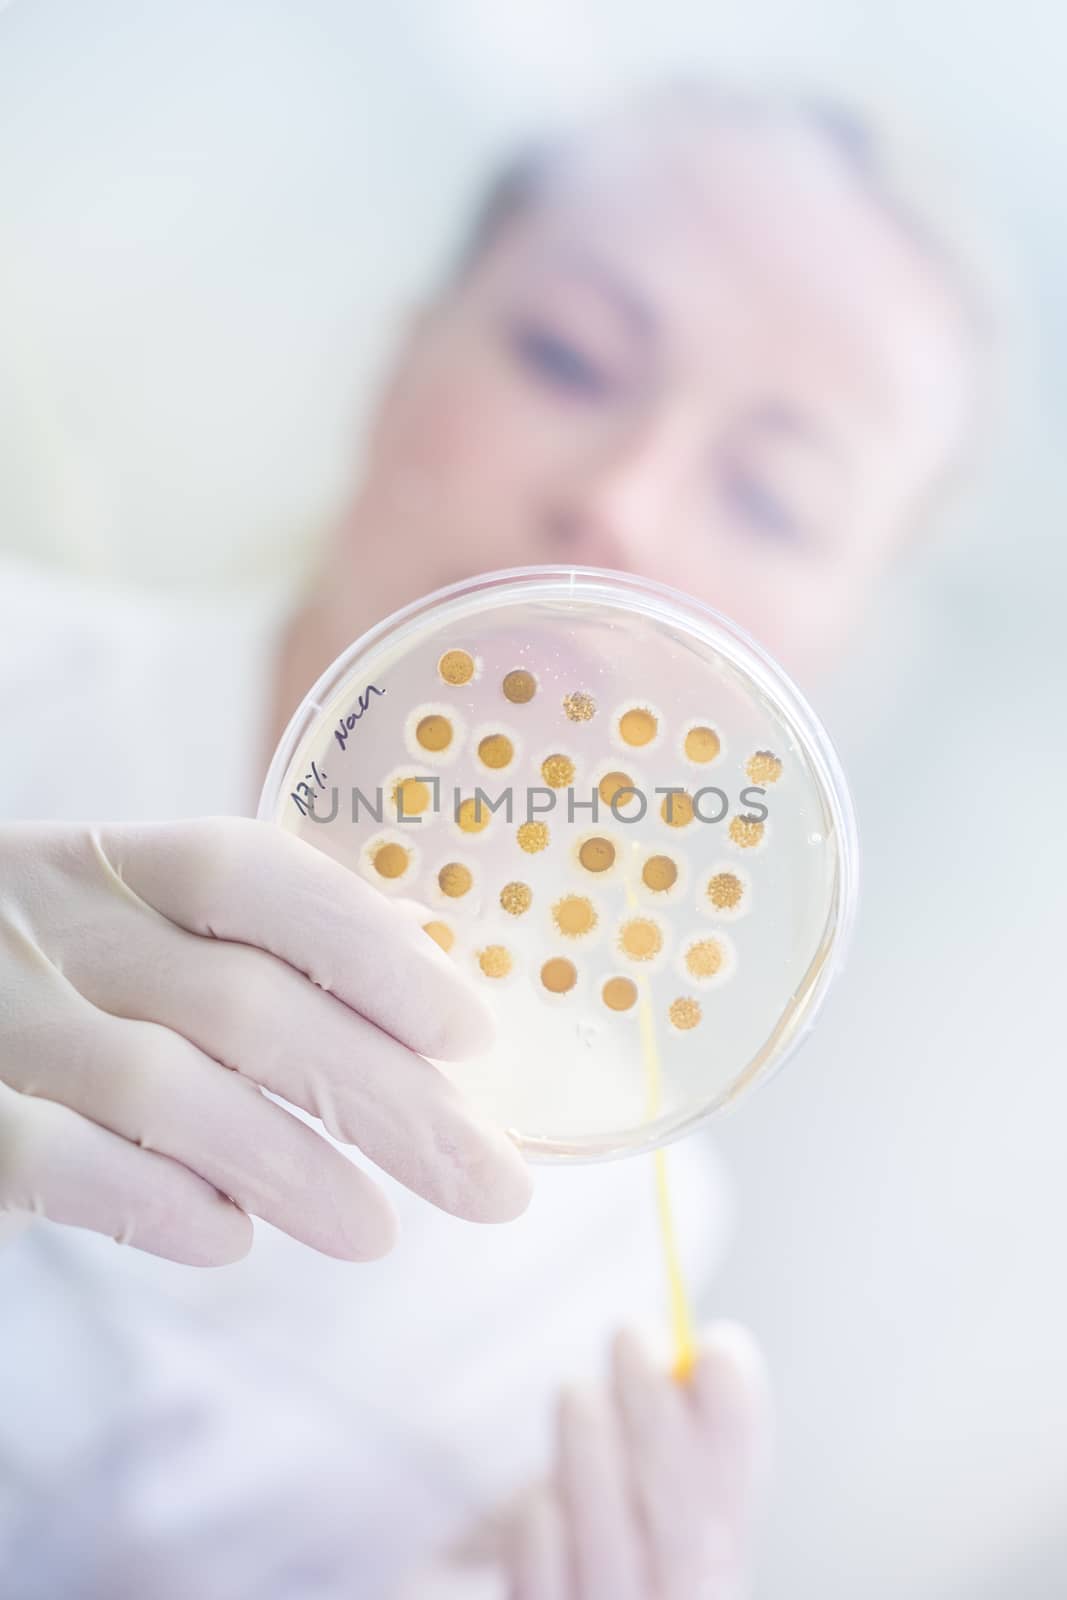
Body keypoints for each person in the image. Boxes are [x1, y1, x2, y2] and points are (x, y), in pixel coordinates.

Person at [0, 82, 983, 1597]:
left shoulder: (602, 1286)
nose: (625, 508)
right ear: (400, 367)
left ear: (830, 648)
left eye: (775, 500)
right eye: (568, 357)